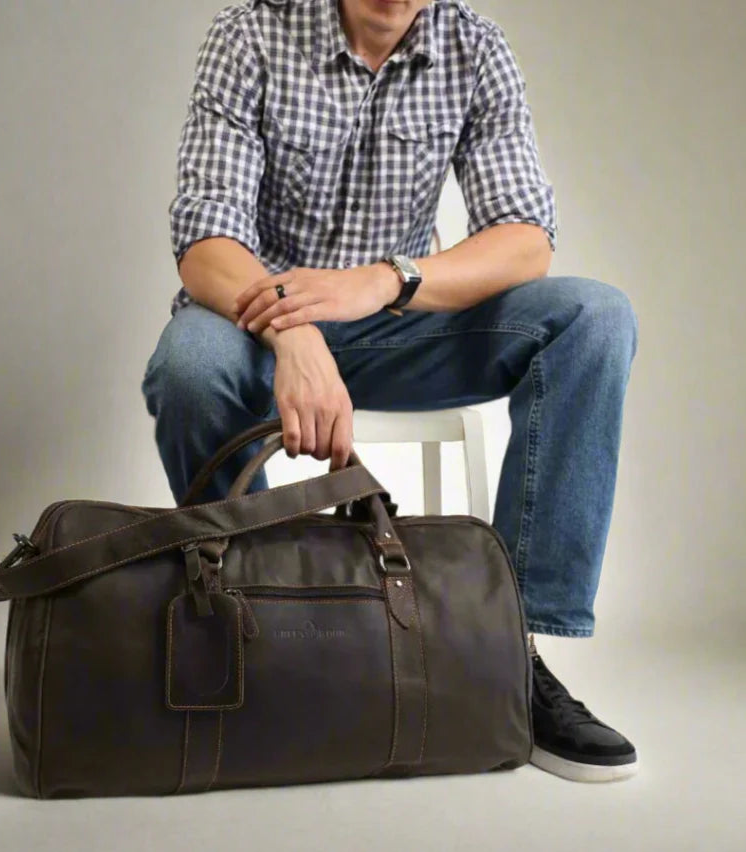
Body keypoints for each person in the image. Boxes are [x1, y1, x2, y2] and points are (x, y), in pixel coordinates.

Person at [141, 0, 639, 783]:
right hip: (253, 326)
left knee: (595, 319)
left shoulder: (473, 47)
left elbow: (524, 239)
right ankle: (257, 636)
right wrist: (291, 329)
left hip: (401, 330)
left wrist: (385, 280)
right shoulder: (251, 34)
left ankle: (508, 654)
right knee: (187, 365)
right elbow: (205, 238)